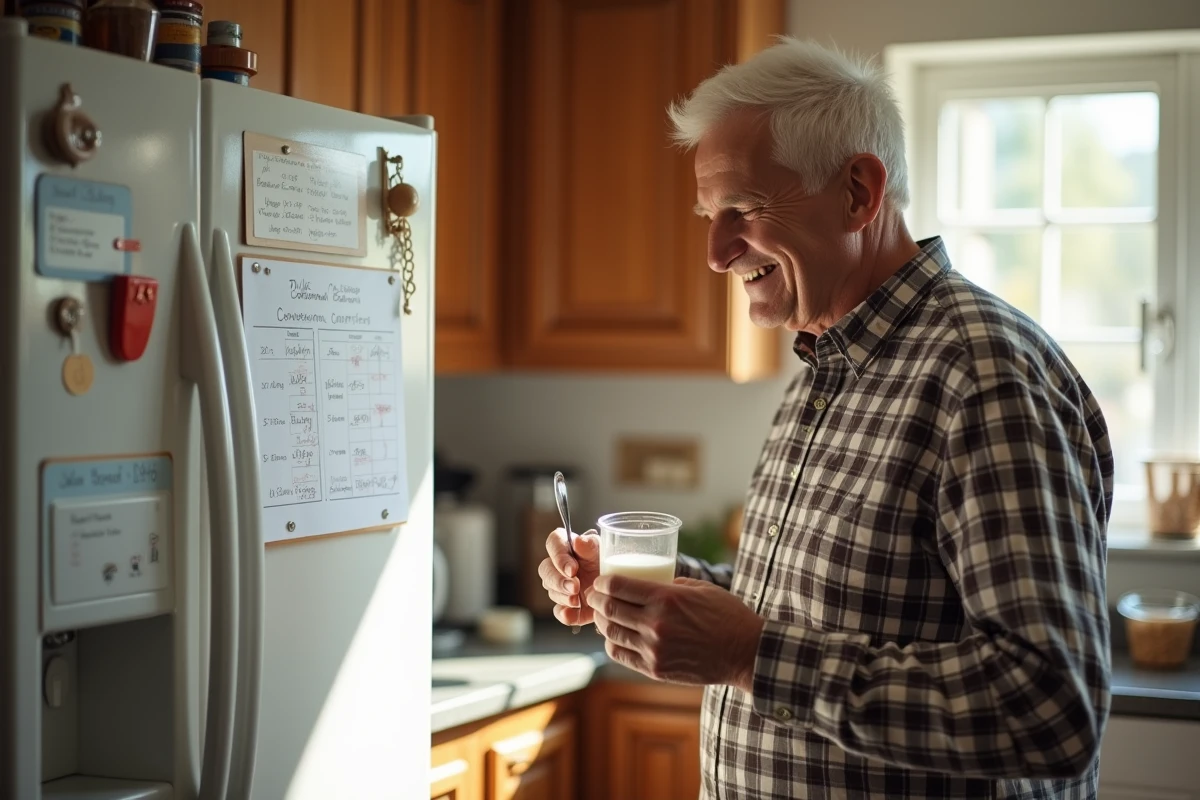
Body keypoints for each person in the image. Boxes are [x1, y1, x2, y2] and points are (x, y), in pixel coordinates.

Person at [538, 37, 1113, 800]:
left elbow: (1050, 708)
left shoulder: (981, 374)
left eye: (742, 209)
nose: (714, 252)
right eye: (709, 215)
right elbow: (810, 610)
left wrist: (751, 656)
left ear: (857, 193)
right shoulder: (828, 362)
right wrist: (662, 593)